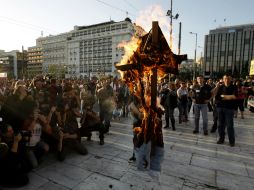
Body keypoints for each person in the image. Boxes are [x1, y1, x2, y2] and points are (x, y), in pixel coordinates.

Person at [214, 74, 237, 147]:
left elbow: (234, 96)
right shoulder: (220, 87)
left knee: (230, 126)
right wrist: (228, 97)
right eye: (225, 78)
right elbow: (217, 97)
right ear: (223, 79)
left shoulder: (234, 87)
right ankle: (221, 139)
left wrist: (223, 96)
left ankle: (231, 141)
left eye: (228, 78)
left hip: (229, 109)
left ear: (230, 79)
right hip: (220, 108)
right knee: (220, 125)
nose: (226, 80)